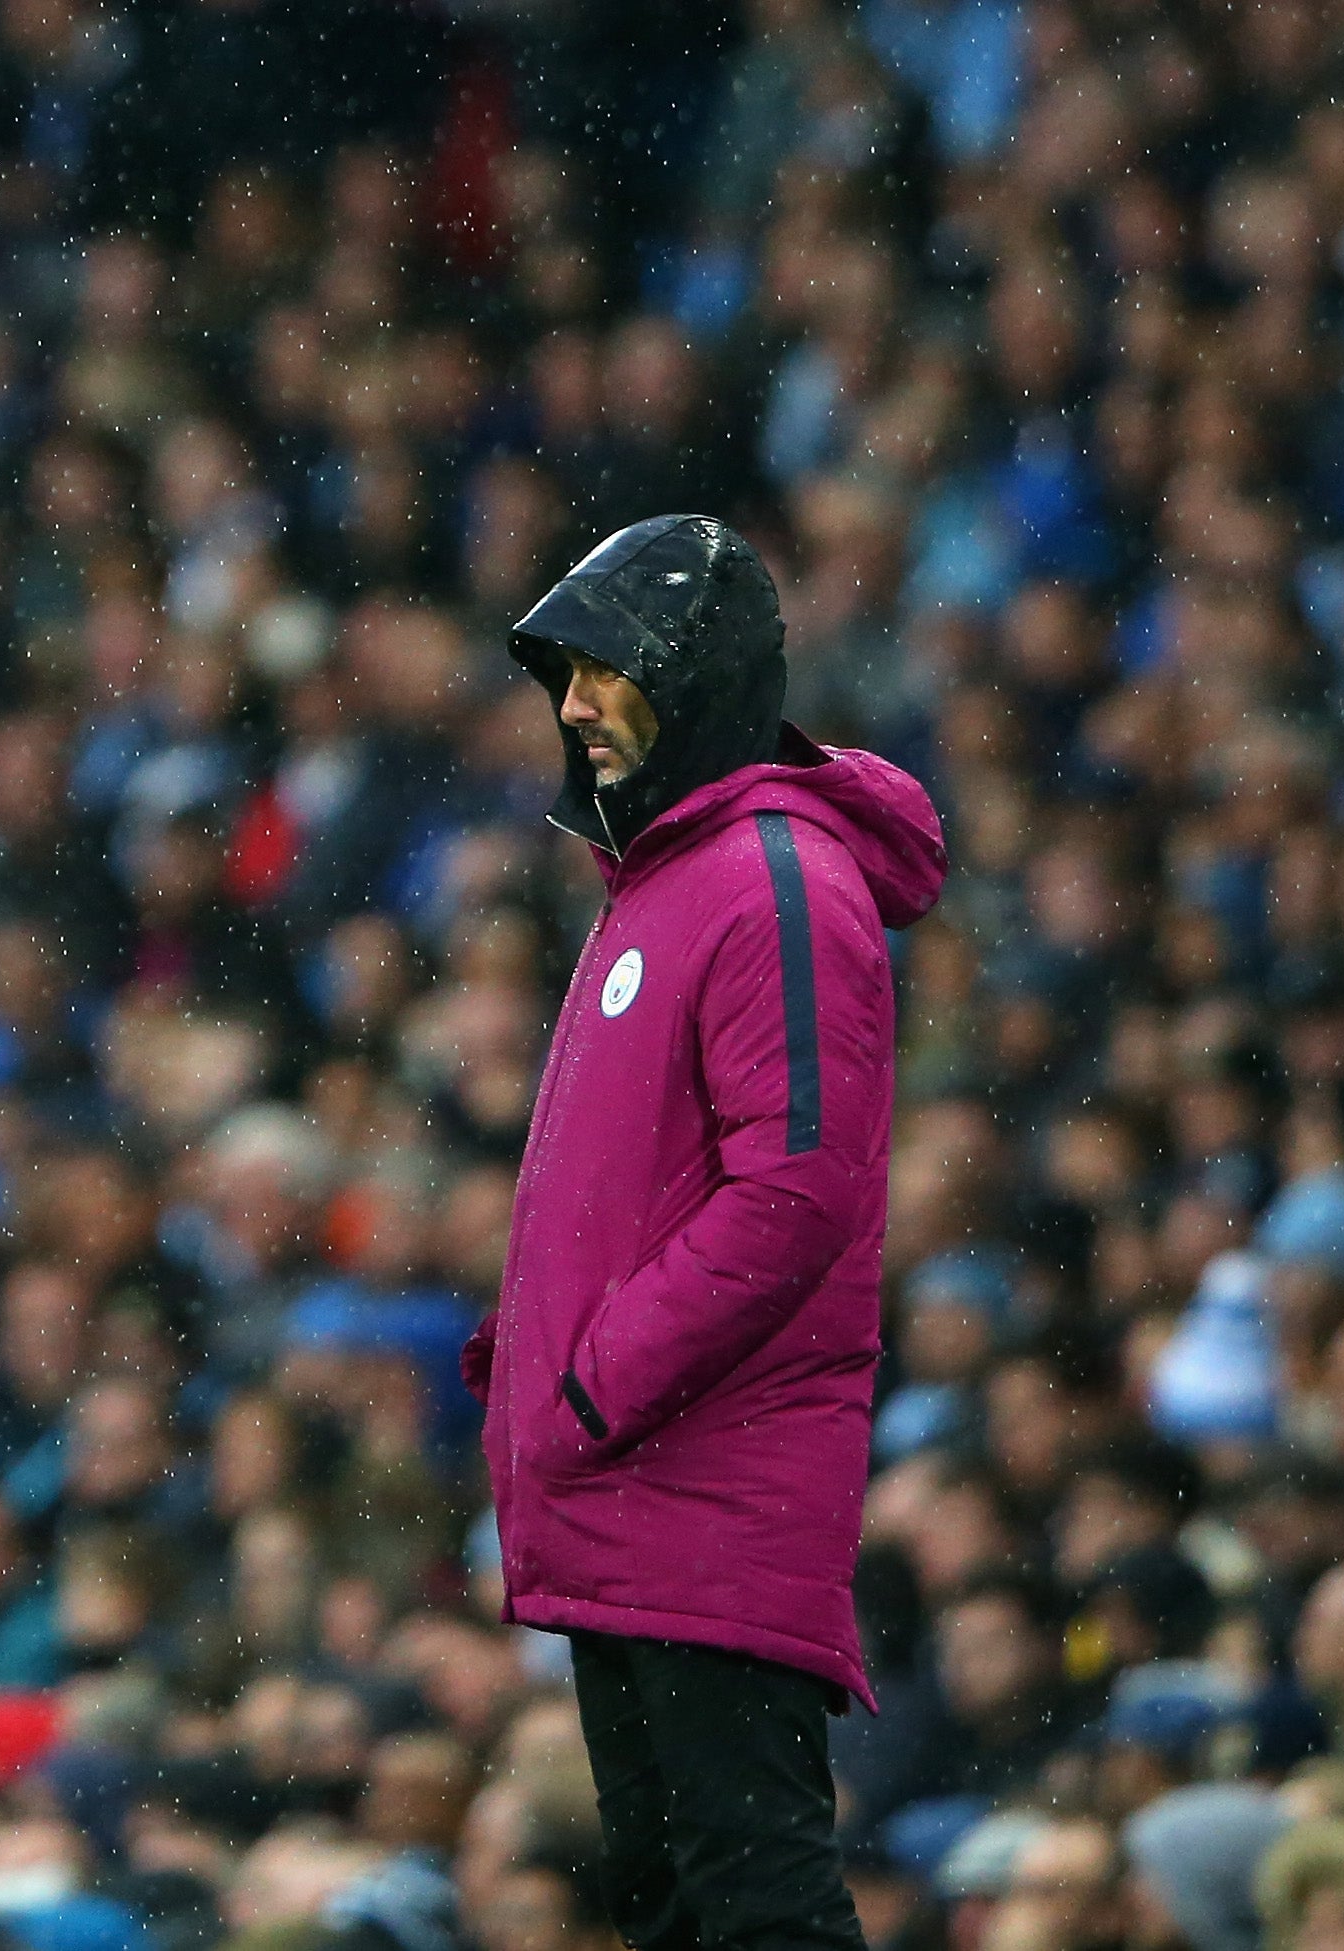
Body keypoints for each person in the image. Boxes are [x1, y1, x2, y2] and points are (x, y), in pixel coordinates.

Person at [464, 514, 948, 1951]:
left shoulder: (774, 882)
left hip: (704, 1483)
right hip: (635, 1483)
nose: (572, 706)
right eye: (563, 676)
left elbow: (793, 1195)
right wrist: (537, 1372)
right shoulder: (671, 879)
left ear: (696, 676)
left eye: (603, 670)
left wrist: (591, 1383)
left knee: (753, 1903)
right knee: (678, 1903)